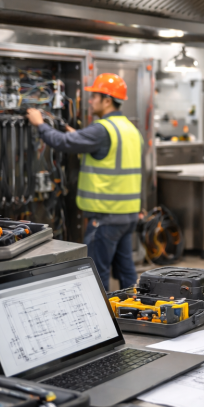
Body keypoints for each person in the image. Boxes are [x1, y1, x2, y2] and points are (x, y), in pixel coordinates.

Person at [27, 73, 143, 291]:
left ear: (107, 100)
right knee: (127, 272)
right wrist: (78, 135)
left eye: (95, 97)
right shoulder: (129, 129)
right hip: (128, 215)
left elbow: (62, 142)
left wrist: (40, 124)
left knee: (96, 275)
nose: (90, 101)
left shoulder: (102, 129)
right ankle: (134, 308)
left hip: (105, 217)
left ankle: (102, 312)